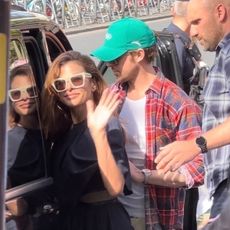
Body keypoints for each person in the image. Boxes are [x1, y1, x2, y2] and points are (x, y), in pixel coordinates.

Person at [91, 17, 204, 230]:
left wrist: (143, 176)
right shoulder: (112, 94)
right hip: (114, 213)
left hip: (156, 217)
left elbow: (196, 171)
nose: (109, 65)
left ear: (139, 54)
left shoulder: (176, 101)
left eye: (115, 59)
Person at [41, 50, 133, 230]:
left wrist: (98, 132)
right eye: (60, 84)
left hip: (103, 220)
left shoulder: (107, 124)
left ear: (92, 84)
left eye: (77, 80)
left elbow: (116, 187)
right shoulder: (62, 128)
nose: (68, 88)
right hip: (73, 217)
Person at [155, 0, 230, 221]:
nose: (193, 32)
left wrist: (196, 144)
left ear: (220, 11)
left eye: (197, 22)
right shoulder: (223, 53)